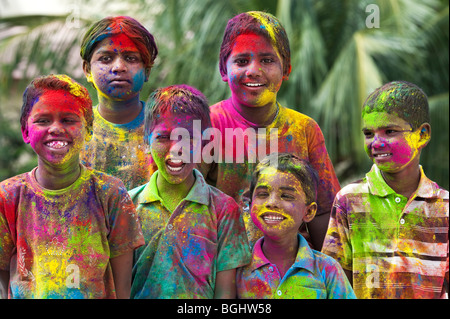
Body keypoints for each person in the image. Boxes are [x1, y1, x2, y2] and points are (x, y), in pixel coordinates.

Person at [0, 74, 144, 299]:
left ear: (88, 130)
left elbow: (122, 287)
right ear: (25, 131)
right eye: (43, 120)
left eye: (68, 120)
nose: (56, 128)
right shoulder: (7, 197)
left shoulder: (110, 194)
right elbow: (5, 281)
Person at [207, 11, 340, 250]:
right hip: (224, 270)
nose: (254, 71)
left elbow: (323, 211)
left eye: (267, 60)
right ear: (223, 70)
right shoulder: (207, 125)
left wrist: (326, 272)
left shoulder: (304, 129)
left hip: (291, 274)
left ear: (286, 68)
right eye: (241, 61)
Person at [322, 81, 449, 299]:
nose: (376, 143)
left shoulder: (444, 207)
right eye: (369, 133)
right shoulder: (349, 200)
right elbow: (335, 281)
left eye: (389, 131)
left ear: (422, 135)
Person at [129, 85, 251, 299]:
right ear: (146, 141)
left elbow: (225, 295)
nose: (176, 147)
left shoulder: (224, 210)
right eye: (163, 137)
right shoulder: (127, 206)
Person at [236, 153, 355, 299]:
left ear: (309, 211)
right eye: (263, 194)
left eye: (286, 196)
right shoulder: (238, 270)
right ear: (250, 204)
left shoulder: (327, 270)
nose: (271, 202)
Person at [80, 16, 158, 190]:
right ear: (87, 70)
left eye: (130, 58)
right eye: (106, 59)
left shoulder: (167, 129)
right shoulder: (75, 130)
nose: (119, 67)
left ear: (146, 71)